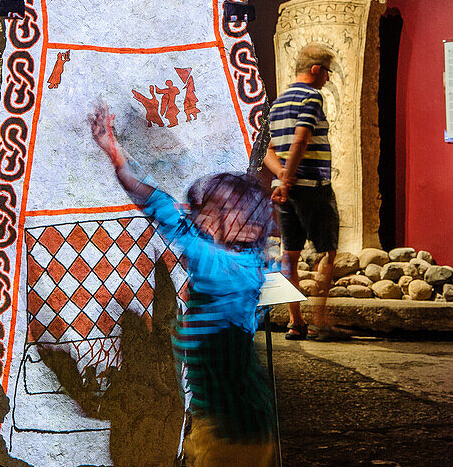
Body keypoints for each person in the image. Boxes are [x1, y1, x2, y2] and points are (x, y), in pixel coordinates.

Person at [89, 101, 276, 466]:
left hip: (229, 431)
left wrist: (119, 159)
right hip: (235, 421)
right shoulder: (250, 261)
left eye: (207, 212)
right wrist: (116, 155)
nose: (196, 215)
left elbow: (164, 211)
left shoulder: (222, 266)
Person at [262, 43, 346, 342]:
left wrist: (282, 178)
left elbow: (268, 151)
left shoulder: (278, 102)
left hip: (285, 193)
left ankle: (295, 323)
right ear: (315, 69)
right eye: (327, 72)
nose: (327, 78)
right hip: (313, 187)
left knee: (290, 255)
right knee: (328, 250)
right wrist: (288, 178)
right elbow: (301, 139)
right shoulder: (312, 96)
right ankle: (320, 321)